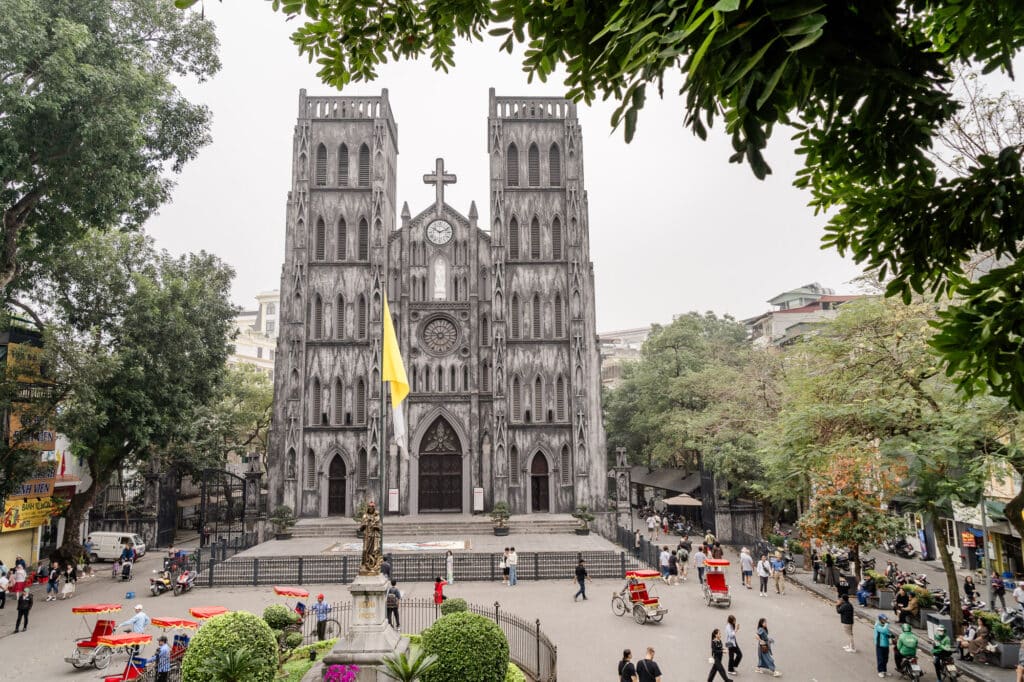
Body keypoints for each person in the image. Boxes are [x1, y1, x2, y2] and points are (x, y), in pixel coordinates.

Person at [873, 613, 891, 677]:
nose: (885, 621)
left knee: (886, 658)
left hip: (886, 644)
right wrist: (887, 624)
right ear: (880, 619)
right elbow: (883, 631)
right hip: (879, 644)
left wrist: (891, 636)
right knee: (880, 658)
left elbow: (887, 633)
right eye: (884, 620)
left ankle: (884, 671)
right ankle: (880, 671)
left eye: (886, 619)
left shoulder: (884, 625)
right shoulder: (877, 625)